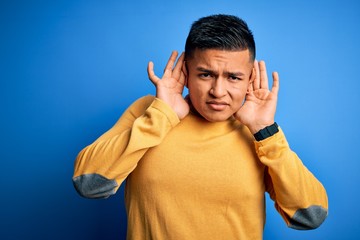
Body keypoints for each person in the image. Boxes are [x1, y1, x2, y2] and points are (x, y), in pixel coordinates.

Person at [73, 14, 328, 239]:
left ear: (250, 78)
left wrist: (265, 130)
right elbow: (89, 184)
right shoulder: (150, 112)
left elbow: (310, 215)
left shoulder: (259, 134)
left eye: (233, 77)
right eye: (206, 74)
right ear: (185, 72)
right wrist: (162, 116)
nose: (218, 91)